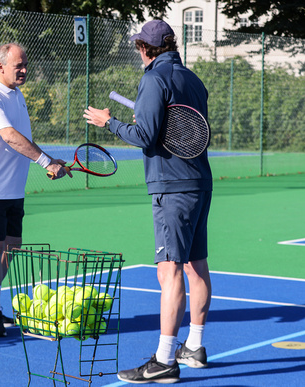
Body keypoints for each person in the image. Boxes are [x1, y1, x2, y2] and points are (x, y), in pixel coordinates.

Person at [84, 20, 212, 383]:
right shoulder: (193, 80)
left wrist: (108, 123)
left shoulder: (153, 79)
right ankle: (195, 347)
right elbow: (182, 128)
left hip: (172, 187)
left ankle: (165, 360)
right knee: (195, 266)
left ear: (144, 48)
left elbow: (144, 136)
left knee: (169, 270)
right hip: (199, 181)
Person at [0, 42, 70, 337]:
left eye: (25, 65)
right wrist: (46, 162)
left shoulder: (16, 95)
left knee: (13, 245)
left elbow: (22, 139)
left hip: (13, 187)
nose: (24, 70)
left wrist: (51, 159)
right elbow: (10, 136)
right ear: (0, 67)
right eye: (18, 66)